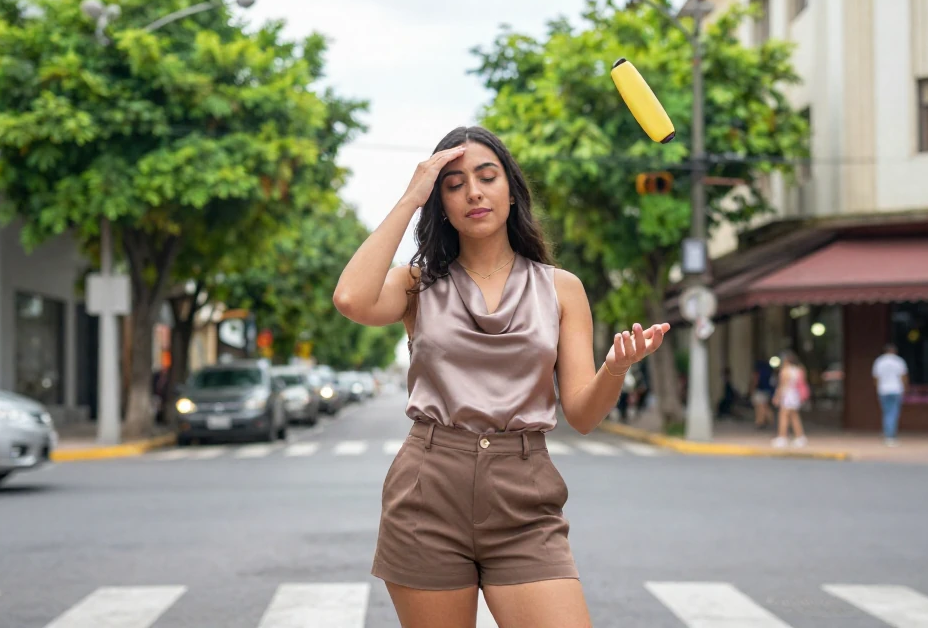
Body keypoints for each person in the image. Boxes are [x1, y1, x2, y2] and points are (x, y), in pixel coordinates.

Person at [332, 126, 670, 628]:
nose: (473, 191)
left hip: (524, 494)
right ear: (440, 204)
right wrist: (410, 196)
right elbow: (351, 299)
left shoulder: (562, 289)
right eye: (453, 184)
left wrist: (614, 369)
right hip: (428, 489)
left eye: (487, 177)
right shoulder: (418, 284)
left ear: (512, 192)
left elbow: (580, 413)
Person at [871, 343, 908, 446]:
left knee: (886, 412)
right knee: (893, 412)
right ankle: (890, 435)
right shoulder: (899, 361)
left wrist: (878, 388)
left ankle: (887, 432)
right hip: (896, 389)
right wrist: (905, 388)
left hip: (883, 390)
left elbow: (876, 378)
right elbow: (903, 377)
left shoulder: (879, 361)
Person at [770, 351, 808, 448]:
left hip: (788, 395)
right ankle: (800, 437)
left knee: (783, 416)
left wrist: (777, 397)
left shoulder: (785, 371)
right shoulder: (799, 370)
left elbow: (782, 385)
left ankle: (782, 437)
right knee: (794, 416)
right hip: (795, 395)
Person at [750, 358, 774, 429]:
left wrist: (751, 390)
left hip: (759, 390)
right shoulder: (768, 371)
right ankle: (767, 420)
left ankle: (760, 421)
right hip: (767, 391)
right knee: (765, 406)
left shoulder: (757, 372)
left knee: (759, 407)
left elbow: (755, 381)